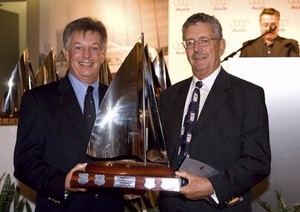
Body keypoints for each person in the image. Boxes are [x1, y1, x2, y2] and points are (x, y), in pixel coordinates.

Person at [158, 13, 271, 211]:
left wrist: (212, 187)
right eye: (190, 42)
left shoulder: (248, 95)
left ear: (221, 45)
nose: (197, 49)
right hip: (172, 206)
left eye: (204, 40)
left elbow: (258, 161)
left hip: (221, 206)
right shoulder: (170, 96)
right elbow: (162, 153)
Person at [13, 17, 124, 212]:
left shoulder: (119, 99)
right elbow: (25, 163)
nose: (87, 55)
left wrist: (129, 185)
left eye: (94, 48)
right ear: (66, 52)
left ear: (103, 54)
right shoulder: (38, 100)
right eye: (79, 47)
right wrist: (63, 182)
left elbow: (128, 156)